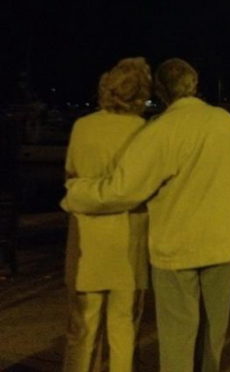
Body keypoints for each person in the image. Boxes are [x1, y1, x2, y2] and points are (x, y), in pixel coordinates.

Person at [63, 58, 230, 372]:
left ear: (163, 93)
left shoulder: (161, 130)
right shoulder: (226, 122)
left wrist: (78, 193)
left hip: (176, 249)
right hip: (224, 243)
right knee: (211, 336)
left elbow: (124, 190)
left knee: (178, 336)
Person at [63, 57, 151, 372]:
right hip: (128, 243)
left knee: (81, 330)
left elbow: (71, 174)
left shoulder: (82, 127)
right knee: (123, 328)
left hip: (88, 240)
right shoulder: (144, 132)